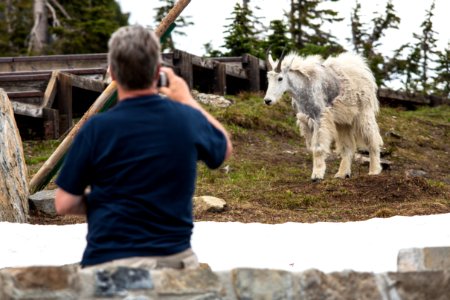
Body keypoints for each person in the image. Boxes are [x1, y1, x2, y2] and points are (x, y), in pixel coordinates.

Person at [54, 25, 232, 270]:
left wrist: (109, 202)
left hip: (110, 263)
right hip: (174, 263)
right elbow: (223, 149)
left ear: (112, 74)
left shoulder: (97, 128)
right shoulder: (186, 119)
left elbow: (64, 203)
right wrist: (186, 99)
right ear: (158, 72)